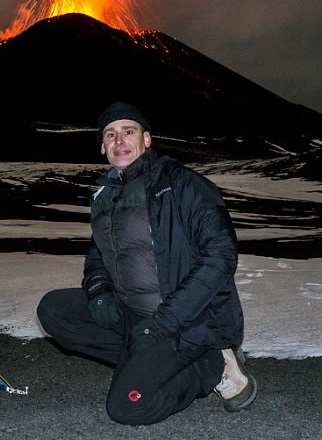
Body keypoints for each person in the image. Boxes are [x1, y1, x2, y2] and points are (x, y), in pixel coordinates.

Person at [36, 101, 257, 425]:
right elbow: (97, 253)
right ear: (102, 146)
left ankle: (210, 365)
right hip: (135, 314)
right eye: (110, 134)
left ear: (147, 140)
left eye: (129, 131)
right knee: (53, 309)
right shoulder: (105, 195)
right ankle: (143, 359)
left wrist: (165, 322)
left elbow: (220, 255)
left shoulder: (181, 184)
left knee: (127, 407)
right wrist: (98, 291)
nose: (119, 140)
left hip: (186, 322)